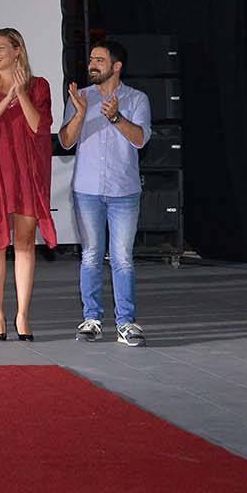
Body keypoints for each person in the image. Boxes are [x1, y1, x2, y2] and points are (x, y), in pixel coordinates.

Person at [60, 39, 151, 347]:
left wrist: (116, 118)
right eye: (90, 59)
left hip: (124, 191)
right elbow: (66, 142)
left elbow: (140, 139)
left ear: (116, 66)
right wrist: (79, 114)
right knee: (90, 256)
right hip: (87, 190)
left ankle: (126, 323)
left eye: (99, 60)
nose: (92, 65)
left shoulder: (137, 99)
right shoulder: (80, 97)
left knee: (122, 258)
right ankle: (92, 320)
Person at [0, 28, 55, 342]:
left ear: (18, 51)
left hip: (25, 173)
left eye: (2, 47)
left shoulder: (39, 86)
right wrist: (7, 98)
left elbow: (39, 126)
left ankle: (22, 314)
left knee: (24, 243)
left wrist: (21, 94)